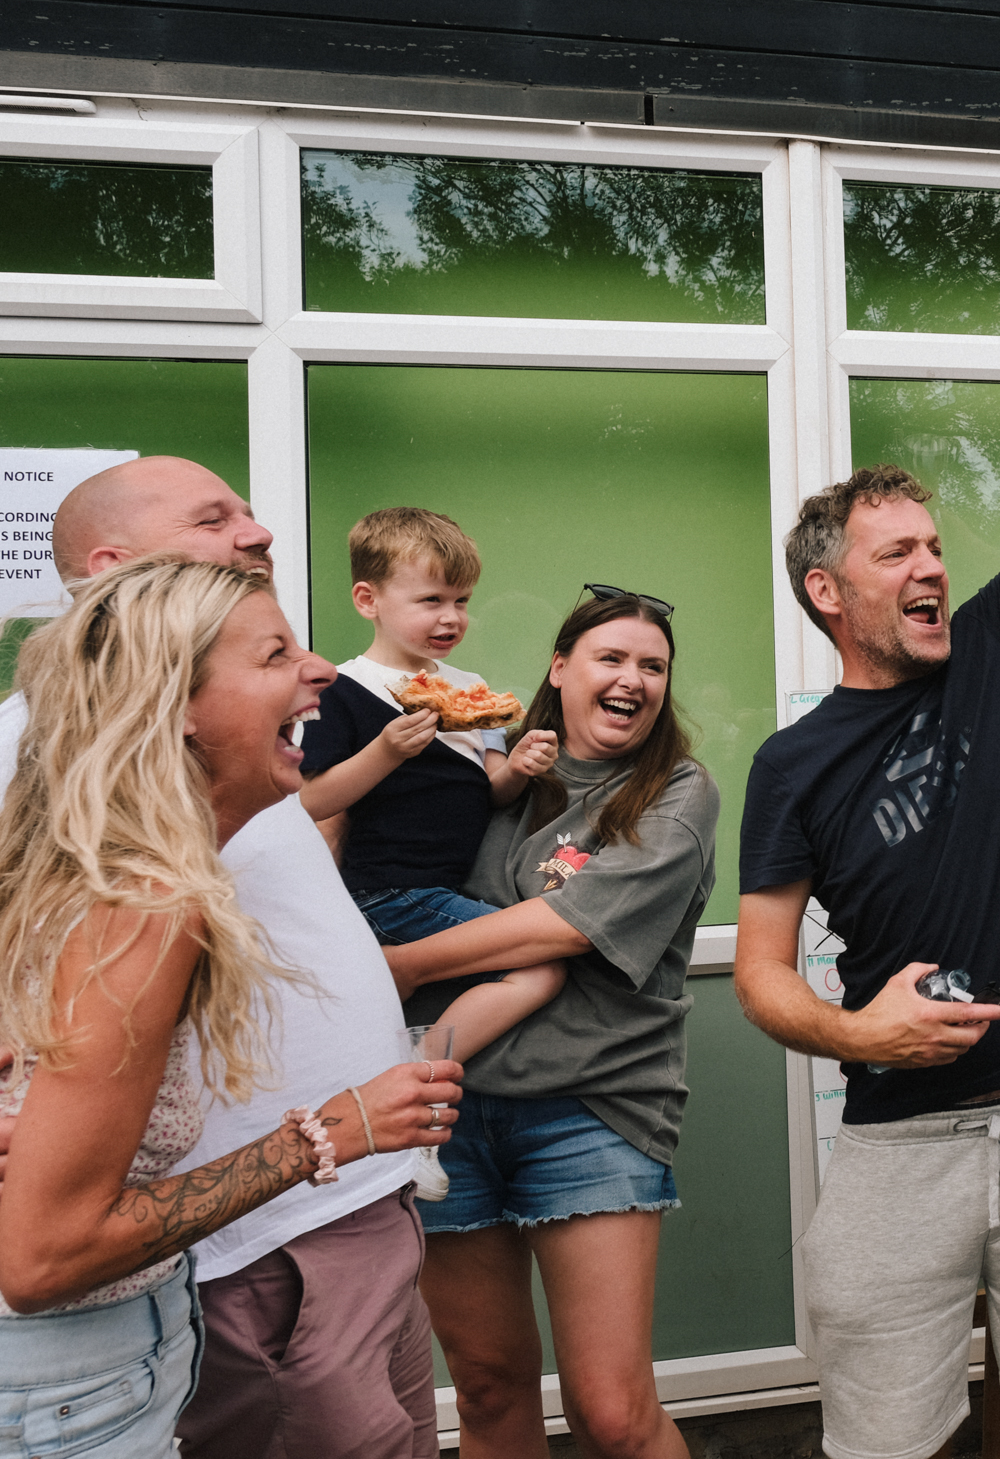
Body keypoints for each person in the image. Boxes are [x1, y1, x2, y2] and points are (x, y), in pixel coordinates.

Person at [731, 181, 1000, 1459]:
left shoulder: (996, 647)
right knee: (887, 1438)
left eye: (931, 545)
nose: (928, 567)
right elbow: (757, 974)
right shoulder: (792, 764)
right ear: (827, 590)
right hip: (897, 1147)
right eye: (893, 554)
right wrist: (861, 1028)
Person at [0, 455, 447, 1459]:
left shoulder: (211, 795)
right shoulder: (140, 884)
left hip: (296, 1236)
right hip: (229, 1267)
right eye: (215, 518)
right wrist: (329, 1133)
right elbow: (41, 1257)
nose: (257, 532)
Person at [381, 587, 719, 1459]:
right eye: (611, 658)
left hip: (591, 1110)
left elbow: (570, 924)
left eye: (653, 666)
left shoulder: (675, 791)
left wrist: (411, 962)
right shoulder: (481, 766)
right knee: (488, 1391)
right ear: (560, 668)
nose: (633, 680)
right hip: (442, 1114)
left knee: (612, 1411)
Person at [299, 507, 563, 1199]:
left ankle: (410, 1094)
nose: (450, 617)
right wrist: (386, 751)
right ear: (369, 601)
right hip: (390, 890)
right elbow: (312, 801)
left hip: (437, 891)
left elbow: (489, 796)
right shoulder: (343, 691)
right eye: (430, 601)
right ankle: (417, 1072)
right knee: (539, 966)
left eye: (462, 602)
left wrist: (520, 767)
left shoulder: (472, 690)